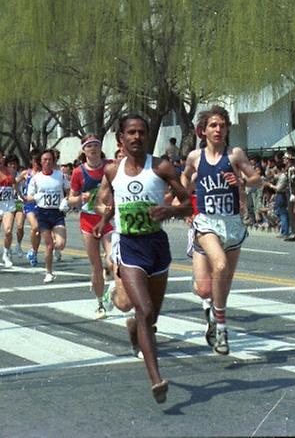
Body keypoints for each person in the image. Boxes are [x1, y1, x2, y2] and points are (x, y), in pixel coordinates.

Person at [93, 114, 192, 404]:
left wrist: (169, 211)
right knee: (145, 310)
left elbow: (188, 204)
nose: (136, 137)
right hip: (129, 246)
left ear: (147, 137)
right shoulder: (112, 171)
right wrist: (105, 220)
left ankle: (135, 331)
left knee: (151, 316)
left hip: (157, 246)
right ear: (121, 139)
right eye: (131, 133)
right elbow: (115, 201)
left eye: (141, 133)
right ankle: (156, 379)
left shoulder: (161, 166)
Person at [181, 106, 261, 355]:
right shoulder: (195, 157)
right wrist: (185, 201)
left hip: (232, 224)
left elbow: (257, 178)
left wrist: (242, 182)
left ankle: (215, 320)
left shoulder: (235, 154)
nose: (218, 129)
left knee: (218, 286)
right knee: (218, 269)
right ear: (203, 130)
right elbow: (184, 179)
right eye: (213, 125)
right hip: (206, 222)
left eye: (222, 125)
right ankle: (223, 330)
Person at [69, 135, 118, 318]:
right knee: (96, 265)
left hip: (108, 220)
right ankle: (100, 304)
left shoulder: (110, 166)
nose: (93, 149)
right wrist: (80, 198)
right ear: (84, 150)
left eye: (96, 145)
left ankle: (112, 290)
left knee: (114, 260)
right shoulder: (78, 172)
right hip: (88, 221)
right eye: (89, 146)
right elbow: (71, 199)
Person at [25, 149, 69, 283]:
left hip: (57, 213)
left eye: (50, 159)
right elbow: (29, 197)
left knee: (60, 244)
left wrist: (66, 200)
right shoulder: (36, 178)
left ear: (54, 161)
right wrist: (35, 197)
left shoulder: (60, 176)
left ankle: (56, 252)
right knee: (49, 245)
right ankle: (49, 272)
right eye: (45, 160)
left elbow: (69, 190)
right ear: (40, 162)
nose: (47, 162)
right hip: (43, 214)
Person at [16, 150, 42, 266]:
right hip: (29, 204)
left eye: (38, 161)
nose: (37, 164)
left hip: (41, 203)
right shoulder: (27, 173)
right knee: (35, 227)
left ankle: (34, 252)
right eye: (35, 161)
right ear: (31, 161)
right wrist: (20, 194)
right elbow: (14, 182)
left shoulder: (44, 174)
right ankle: (32, 250)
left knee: (38, 231)